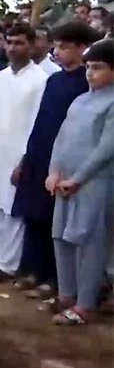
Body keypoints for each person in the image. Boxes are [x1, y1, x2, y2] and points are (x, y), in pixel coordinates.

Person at [11, 21, 95, 300]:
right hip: (39, 154)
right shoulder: (54, 79)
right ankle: (32, 271)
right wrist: (26, 157)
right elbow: (40, 120)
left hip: (65, 162)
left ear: (82, 49)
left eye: (64, 47)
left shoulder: (87, 83)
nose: (57, 51)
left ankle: (54, 279)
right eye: (56, 46)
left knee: (54, 222)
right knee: (33, 215)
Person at [0, 23, 49, 283]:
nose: (14, 48)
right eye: (11, 42)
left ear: (31, 45)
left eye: (20, 43)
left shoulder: (40, 80)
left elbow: (36, 123)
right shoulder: (0, 77)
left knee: (10, 208)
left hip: (19, 152)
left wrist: (25, 160)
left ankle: (5, 264)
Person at [46, 38, 114, 326]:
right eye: (87, 67)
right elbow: (61, 139)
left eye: (97, 67)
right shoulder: (80, 100)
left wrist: (77, 178)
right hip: (64, 182)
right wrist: (53, 172)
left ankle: (85, 305)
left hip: (96, 183)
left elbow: (107, 148)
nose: (90, 73)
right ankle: (66, 294)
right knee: (61, 236)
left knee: (89, 242)